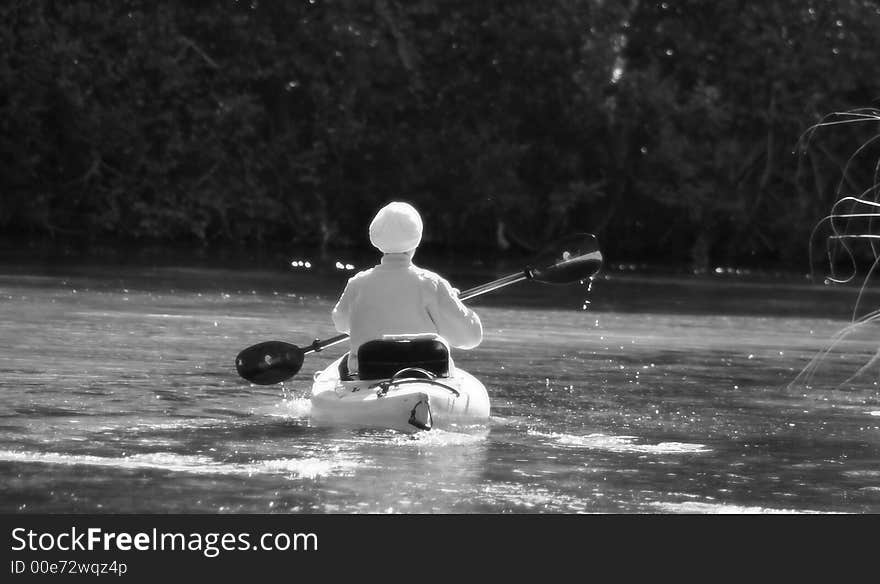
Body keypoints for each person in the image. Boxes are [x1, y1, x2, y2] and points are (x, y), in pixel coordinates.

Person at [331, 201, 483, 377]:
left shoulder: (357, 283)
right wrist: (451, 300)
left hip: (369, 374)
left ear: (377, 240)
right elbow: (470, 337)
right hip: (427, 374)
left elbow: (340, 323)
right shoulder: (432, 284)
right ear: (416, 240)